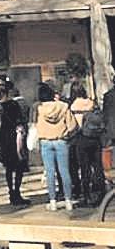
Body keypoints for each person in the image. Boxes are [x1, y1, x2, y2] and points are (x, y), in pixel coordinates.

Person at [36, 81, 77, 211]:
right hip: (61, 141)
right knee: (64, 171)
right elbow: (72, 126)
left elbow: (37, 126)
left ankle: (53, 201)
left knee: (50, 172)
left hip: (46, 142)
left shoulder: (40, 109)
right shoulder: (64, 106)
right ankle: (68, 200)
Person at [72, 93, 107, 207]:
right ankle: (101, 192)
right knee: (98, 167)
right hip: (96, 140)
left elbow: (77, 126)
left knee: (85, 169)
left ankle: (86, 194)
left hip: (82, 140)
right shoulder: (93, 106)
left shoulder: (73, 106)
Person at [0, 92, 30, 207]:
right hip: (16, 144)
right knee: (19, 169)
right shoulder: (17, 125)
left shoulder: (3, 124)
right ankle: (17, 191)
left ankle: (11, 192)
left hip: (6, 144)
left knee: (9, 169)